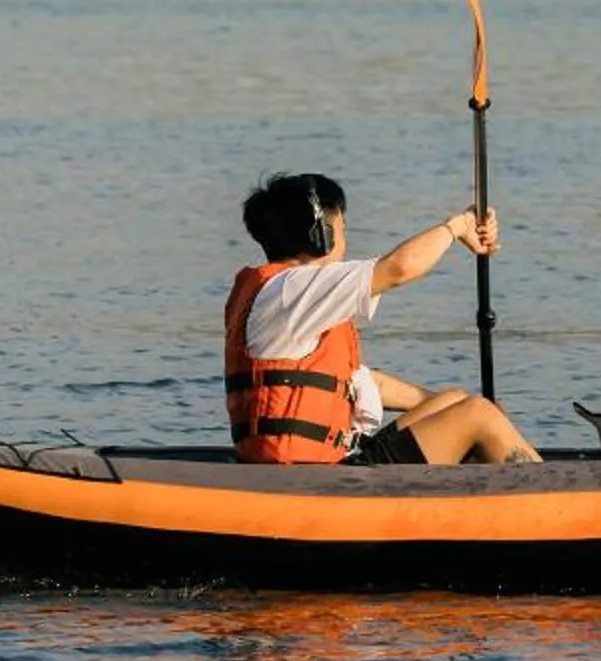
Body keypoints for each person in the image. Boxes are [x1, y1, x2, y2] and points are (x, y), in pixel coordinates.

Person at [224, 171, 541, 466]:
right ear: (322, 234)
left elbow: (360, 382)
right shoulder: (290, 291)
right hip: (314, 478)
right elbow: (400, 267)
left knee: (458, 402)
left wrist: (441, 405)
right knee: (479, 414)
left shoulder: (291, 295)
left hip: (325, 464)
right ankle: (553, 496)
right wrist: (457, 227)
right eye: (343, 228)